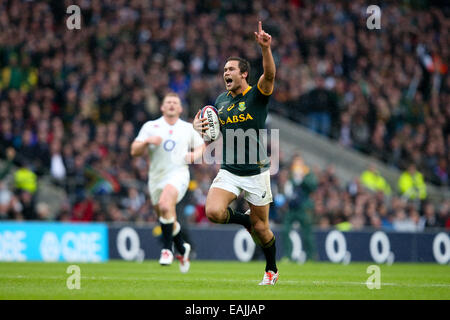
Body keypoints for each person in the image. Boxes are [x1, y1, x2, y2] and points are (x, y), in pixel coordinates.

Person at [193, 21, 278, 285]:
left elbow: (270, 75)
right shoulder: (221, 100)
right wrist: (199, 128)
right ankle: (244, 221)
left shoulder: (257, 96)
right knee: (214, 212)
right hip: (230, 170)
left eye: (231, 69)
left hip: (256, 171)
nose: (225, 73)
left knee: (262, 229)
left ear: (244, 75)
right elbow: (212, 131)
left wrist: (265, 49)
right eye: (224, 70)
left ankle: (271, 269)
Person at [131, 92, 205, 273]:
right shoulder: (151, 127)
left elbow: (201, 146)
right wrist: (147, 142)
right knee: (166, 216)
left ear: (180, 108)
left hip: (178, 175)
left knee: (165, 204)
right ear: (162, 107)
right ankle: (182, 247)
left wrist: (194, 155)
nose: (171, 104)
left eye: (175, 102)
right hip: (156, 178)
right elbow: (134, 150)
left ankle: (166, 250)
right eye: (168, 102)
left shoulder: (187, 128)